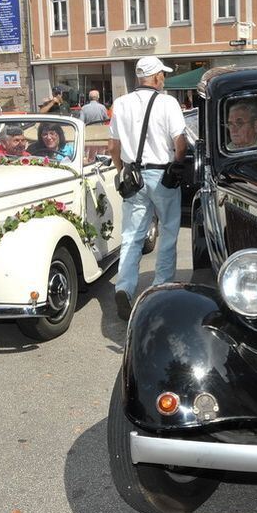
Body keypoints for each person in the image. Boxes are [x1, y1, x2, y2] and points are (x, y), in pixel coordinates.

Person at [108, 55, 187, 321]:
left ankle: (124, 287)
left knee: (132, 236)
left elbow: (113, 147)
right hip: (161, 174)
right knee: (168, 232)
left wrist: (122, 172)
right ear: (155, 77)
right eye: (162, 74)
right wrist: (177, 165)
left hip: (133, 175)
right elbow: (180, 141)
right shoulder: (168, 102)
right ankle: (160, 290)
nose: (164, 78)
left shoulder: (120, 103)